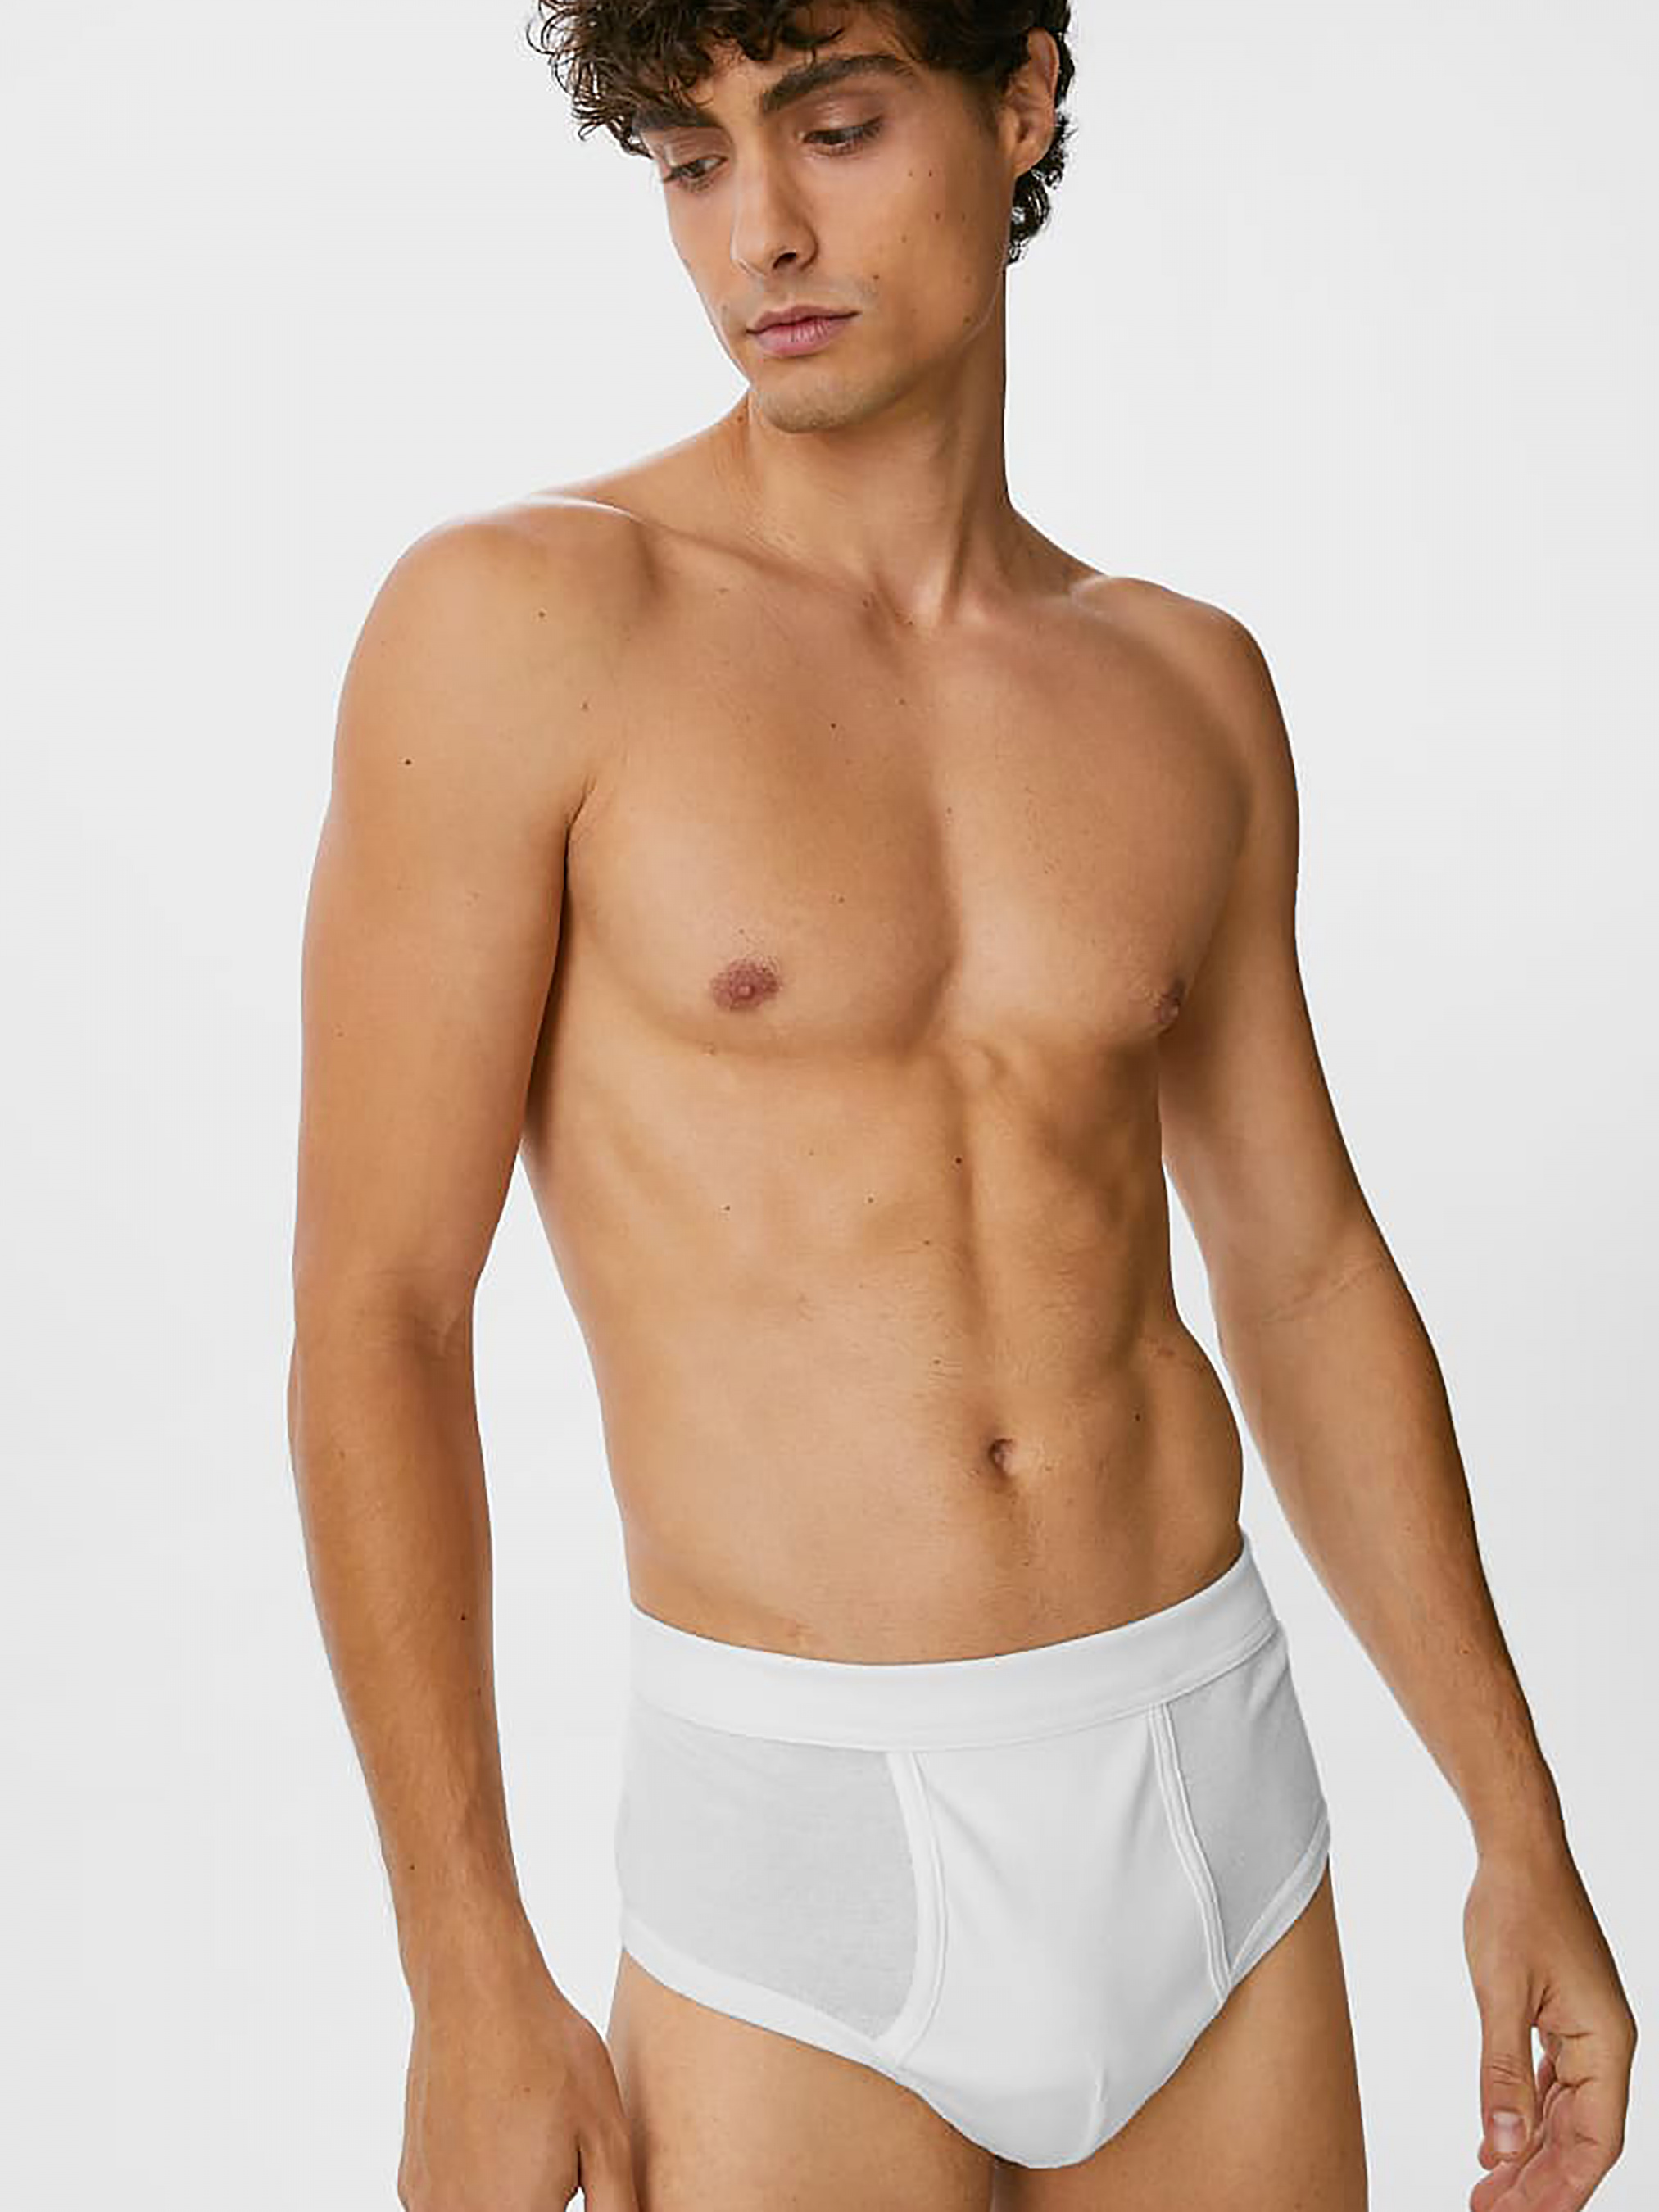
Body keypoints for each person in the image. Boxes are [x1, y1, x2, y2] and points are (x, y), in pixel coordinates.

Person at [285, 5, 1637, 2209]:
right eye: (690, 163)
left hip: (1210, 1792)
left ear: (1018, 101)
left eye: (831, 129)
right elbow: (379, 1309)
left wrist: (1515, 1821)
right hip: (800, 1843)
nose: (758, 233)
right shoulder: (524, 625)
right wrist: (464, 1963)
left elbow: (1298, 1267)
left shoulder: (1179, 682)